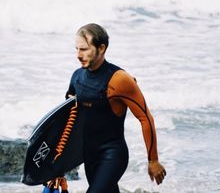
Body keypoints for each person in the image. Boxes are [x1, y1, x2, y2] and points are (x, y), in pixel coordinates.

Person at [65, 23, 166, 193]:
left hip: (112, 154)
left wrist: (153, 160)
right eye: (76, 49)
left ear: (101, 48)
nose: (78, 55)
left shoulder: (119, 80)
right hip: (89, 155)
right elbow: (68, 119)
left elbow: (145, 118)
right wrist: (57, 164)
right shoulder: (77, 77)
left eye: (83, 49)